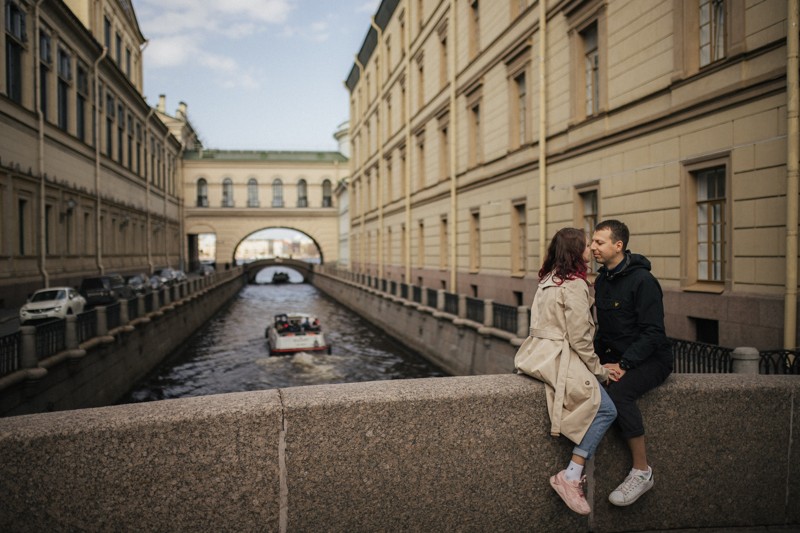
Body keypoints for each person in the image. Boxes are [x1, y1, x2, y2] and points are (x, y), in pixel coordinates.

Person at [514, 227, 618, 516]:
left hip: (536, 356)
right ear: (576, 252)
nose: (590, 250)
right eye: (586, 246)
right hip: (561, 357)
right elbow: (580, 339)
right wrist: (600, 372)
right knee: (606, 409)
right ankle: (571, 475)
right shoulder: (574, 285)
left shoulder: (547, 279)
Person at [591, 219, 673, 507]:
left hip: (652, 359)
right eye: (592, 242)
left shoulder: (643, 281)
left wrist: (624, 364)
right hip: (618, 358)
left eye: (599, 242)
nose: (592, 248)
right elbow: (605, 331)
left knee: (619, 393)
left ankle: (642, 471)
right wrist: (595, 363)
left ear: (618, 245)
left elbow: (654, 333)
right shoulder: (602, 280)